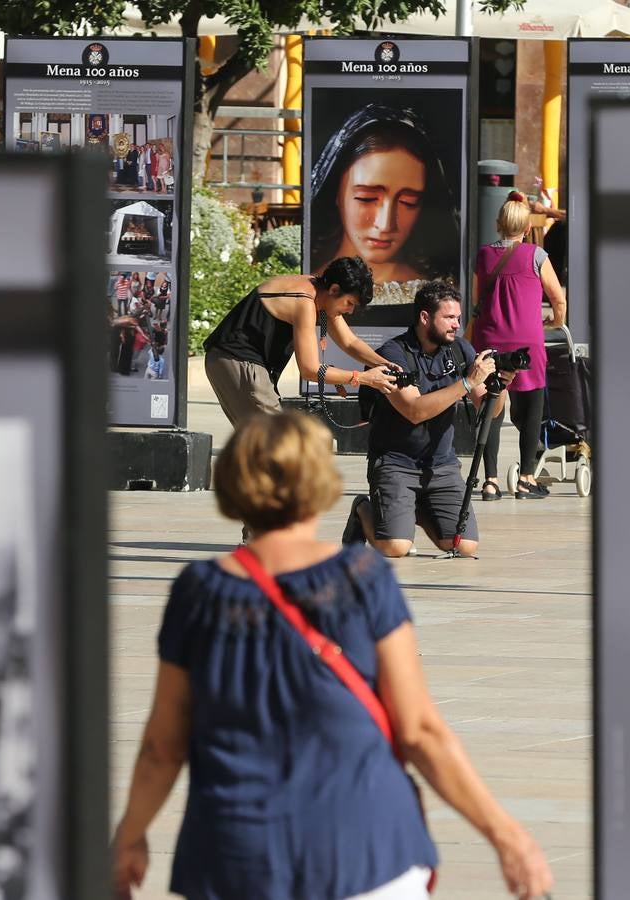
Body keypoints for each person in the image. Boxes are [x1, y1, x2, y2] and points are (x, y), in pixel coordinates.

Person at [111, 411, 553, 900]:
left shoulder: (200, 593)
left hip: (236, 858)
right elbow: (420, 732)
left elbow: (162, 747)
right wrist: (505, 835)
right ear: (319, 481)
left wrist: (128, 836)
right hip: (365, 851)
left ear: (233, 482)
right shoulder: (361, 578)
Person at [344, 281, 514, 559]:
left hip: (441, 465)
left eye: (458, 318)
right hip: (396, 463)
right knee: (395, 547)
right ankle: (364, 509)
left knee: (463, 546)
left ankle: (417, 508)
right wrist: (468, 382)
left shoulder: (460, 350)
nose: (456, 325)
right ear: (425, 317)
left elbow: (490, 411)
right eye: (448, 318)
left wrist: (501, 385)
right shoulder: (392, 354)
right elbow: (414, 411)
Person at [203, 256, 397, 427]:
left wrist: (384, 364)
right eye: (349, 303)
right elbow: (310, 369)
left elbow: (350, 342)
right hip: (235, 360)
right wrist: (363, 378)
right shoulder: (304, 301)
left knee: (265, 448)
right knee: (278, 444)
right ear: (334, 289)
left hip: (242, 362)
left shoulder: (321, 295)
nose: (350, 311)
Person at [468, 192, 567, 501]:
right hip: (527, 341)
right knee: (532, 406)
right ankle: (525, 479)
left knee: (491, 408)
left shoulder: (483, 256)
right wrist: (554, 320)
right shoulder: (536, 255)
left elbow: (475, 300)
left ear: (498, 225)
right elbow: (558, 298)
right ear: (526, 229)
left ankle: (491, 482)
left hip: (489, 339)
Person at [310, 104, 460, 306]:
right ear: (336, 192)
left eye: (408, 202)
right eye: (367, 198)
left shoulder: (436, 290)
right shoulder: (310, 288)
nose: (385, 224)